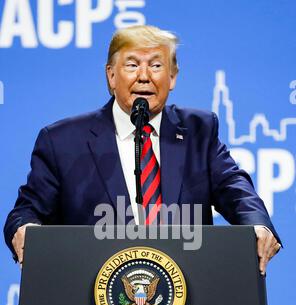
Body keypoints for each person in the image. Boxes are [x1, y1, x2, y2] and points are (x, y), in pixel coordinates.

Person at [4, 25, 281, 274]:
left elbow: (234, 188)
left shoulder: (199, 130)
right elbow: (26, 211)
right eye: (132, 65)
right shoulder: (62, 141)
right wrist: (25, 230)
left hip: (188, 295)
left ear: (172, 77)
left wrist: (258, 225)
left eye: (157, 66)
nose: (145, 77)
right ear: (111, 76)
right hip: (91, 297)